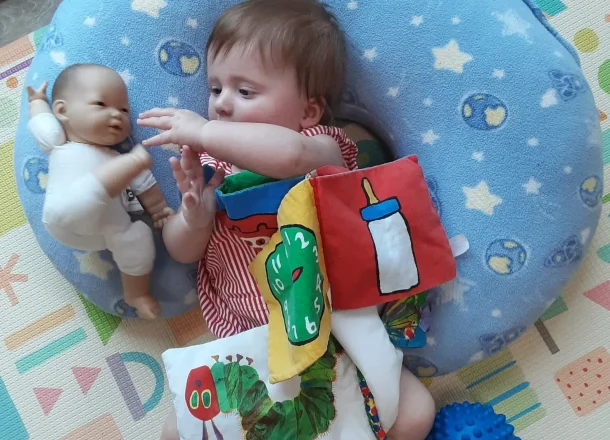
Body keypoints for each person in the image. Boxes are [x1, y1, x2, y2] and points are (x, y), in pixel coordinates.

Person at [139, 1, 435, 439]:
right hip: (248, 343)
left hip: (335, 333)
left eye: (245, 91)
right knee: (175, 430)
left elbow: (286, 154)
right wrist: (194, 215)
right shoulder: (209, 164)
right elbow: (182, 251)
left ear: (308, 112)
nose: (220, 105)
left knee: (415, 412)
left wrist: (202, 131)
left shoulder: (320, 146)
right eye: (215, 87)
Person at [27, 64, 173, 319]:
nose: (117, 115)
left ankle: (136, 293)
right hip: (67, 214)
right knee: (92, 190)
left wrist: (159, 212)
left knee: (137, 237)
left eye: (124, 110)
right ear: (62, 111)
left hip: (105, 235)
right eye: (101, 104)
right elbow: (41, 122)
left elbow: (147, 189)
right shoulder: (59, 144)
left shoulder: (119, 160)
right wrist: (37, 101)